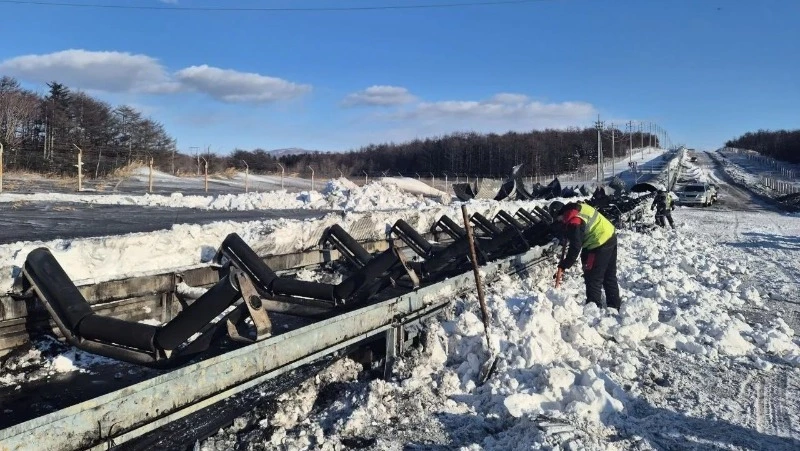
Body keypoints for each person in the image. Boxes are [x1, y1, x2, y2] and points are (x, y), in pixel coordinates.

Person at [549, 200, 621, 309]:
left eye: (558, 219)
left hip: (598, 243)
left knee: (593, 277)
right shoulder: (576, 208)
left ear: (560, 215)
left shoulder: (575, 221)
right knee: (608, 275)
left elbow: (575, 247)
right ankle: (614, 306)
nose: (559, 222)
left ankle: (594, 310)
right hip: (609, 236)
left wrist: (564, 264)